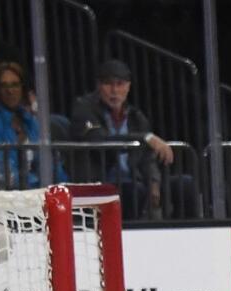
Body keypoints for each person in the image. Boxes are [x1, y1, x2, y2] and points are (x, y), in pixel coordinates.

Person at [70, 59, 192, 218]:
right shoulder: (84, 108)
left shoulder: (136, 117)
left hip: (133, 180)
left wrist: (154, 182)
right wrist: (145, 138)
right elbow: (98, 142)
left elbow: (148, 158)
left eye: (120, 84)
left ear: (128, 87)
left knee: (185, 184)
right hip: (100, 181)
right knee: (134, 191)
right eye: (108, 84)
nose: (114, 90)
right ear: (99, 86)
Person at [0, 62, 67, 188]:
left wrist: (64, 188)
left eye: (15, 85)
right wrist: (38, 187)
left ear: (23, 88)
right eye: (3, 86)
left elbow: (51, 165)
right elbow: (4, 173)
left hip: (40, 193)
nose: (10, 91)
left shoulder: (32, 123)